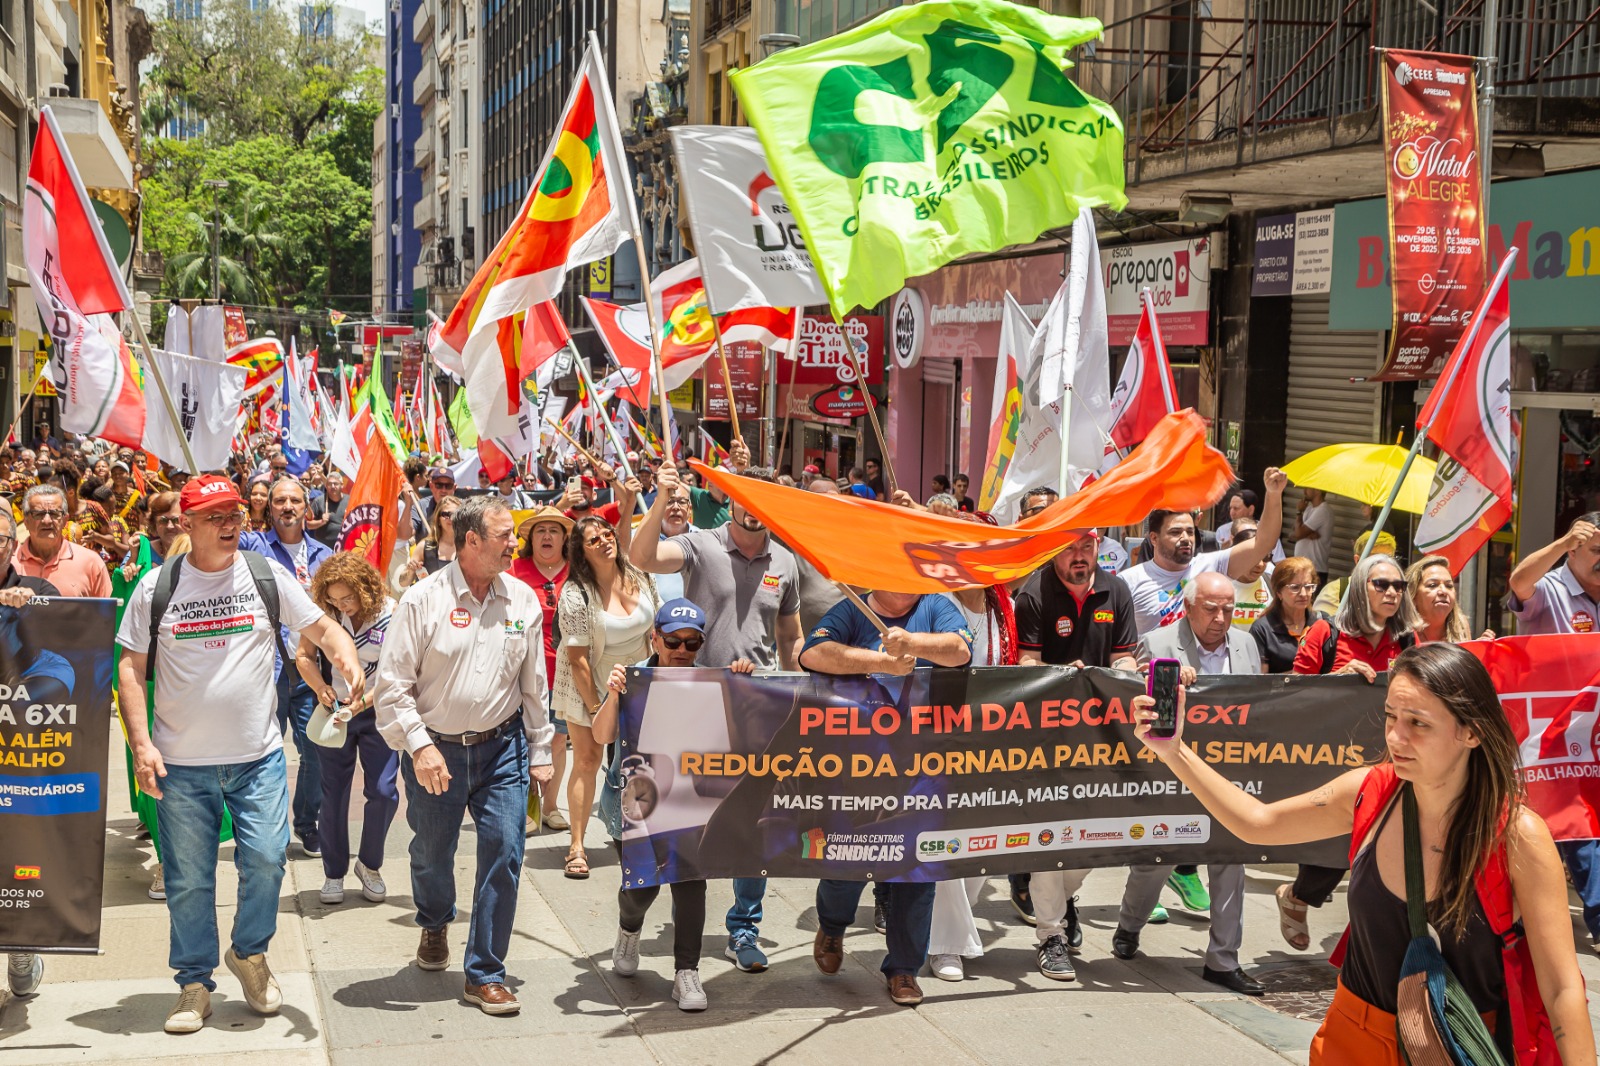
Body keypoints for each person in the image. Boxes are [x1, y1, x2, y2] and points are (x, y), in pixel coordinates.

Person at [1132, 643, 1594, 1065]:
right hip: (1350, 1043)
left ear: (1472, 732)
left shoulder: (1517, 836)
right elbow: (1257, 823)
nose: (1396, 737)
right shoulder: (1369, 792)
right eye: (1391, 716)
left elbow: (1562, 989)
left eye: (1419, 723)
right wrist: (1173, 751)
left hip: (1456, 1049)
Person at [116, 475, 362, 1034]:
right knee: (188, 879)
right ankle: (194, 984)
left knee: (269, 860)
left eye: (235, 514)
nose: (230, 525)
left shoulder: (264, 574)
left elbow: (323, 627)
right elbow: (130, 668)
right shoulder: (156, 586)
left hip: (258, 758)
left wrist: (345, 655)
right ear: (187, 523)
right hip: (181, 766)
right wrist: (141, 745)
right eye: (215, 516)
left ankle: (249, 953)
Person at [373, 495, 555, 1015]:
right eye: (505, 535)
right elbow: (392, 687)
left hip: (503, 750)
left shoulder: (522, 600)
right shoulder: (421, 600)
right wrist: (420, 746)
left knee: (505, 852)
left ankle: (485, 973)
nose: (515, 543)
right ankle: (434, 922)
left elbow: (533, 684)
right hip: (436, 752)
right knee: (432, 854)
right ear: (471, 539)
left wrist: (540, 748)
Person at [630, 461, 801, 973]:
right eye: (745, 498)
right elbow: (642, 556)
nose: (753, 510)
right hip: (695, 706)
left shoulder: (786, 561)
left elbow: (790, 635)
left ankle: (744, 927)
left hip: (759, 709)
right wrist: (660, 498)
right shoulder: (702, 544)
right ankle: (644, 913)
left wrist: (797, 695)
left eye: (763, 500)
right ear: (732, 500)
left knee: (754, 822)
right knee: (682, 821)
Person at [800, 588, 973, 1006]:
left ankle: (903, 968)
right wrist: (880, 662)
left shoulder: (935, 605)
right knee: (844, 861)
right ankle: (832, 926)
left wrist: (911, 643)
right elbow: (813, 653)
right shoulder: (852, 608)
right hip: (858, 769)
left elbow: (960, 650)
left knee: (918, 869)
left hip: (922, 769)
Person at [594, 599, 754, 1012]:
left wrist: (741, 687)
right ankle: (629, 927)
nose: (682, 650)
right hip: (635, 804)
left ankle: (687, 971)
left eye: (692, 642)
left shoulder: (711, 682)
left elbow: (736, 742)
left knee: (691, 883)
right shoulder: (633, 678)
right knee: (641, 887)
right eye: (673, 641)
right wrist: (613, 694)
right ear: (655, 638)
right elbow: (601, 735)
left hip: (688, 804)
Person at [1113, 572, 1263, 994]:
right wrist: (1164, 681)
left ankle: (1222, 960)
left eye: (1228, 609)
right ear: (1189, 608)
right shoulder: (1158, 644)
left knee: (1231, 858)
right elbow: (1133, 707)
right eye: (1211, 609)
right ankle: (1129, 925)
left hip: (1229, 775)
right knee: (1156, 860)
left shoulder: (1247, 645)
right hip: (1170, 774)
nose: (1220, 618)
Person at [1011, 530, 1138, 979]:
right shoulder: (1034, 593)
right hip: (1048, 737)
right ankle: (1051, 935)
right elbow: (1025, 662)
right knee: (1053, 834)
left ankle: (1060, 904)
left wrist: (1122, 673)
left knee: (1092, 841)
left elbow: (1125, 657)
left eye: (1087, 547)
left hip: (1103, 736)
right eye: (1070, 549)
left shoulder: (1116, 589)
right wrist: (1061, 676)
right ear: (1055, 552)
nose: (1079, 557)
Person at [1276, 553, 1419, 950]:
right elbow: (1292, 693)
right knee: (1334, 844)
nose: (1392, 592)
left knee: (1380, 847)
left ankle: (1373, 941)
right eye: (1381, 584)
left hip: (1389, 759)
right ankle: (1297, 897)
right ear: (1359, 588)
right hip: (1331, 759)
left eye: (1399, 586)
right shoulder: (1327, 633)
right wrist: (1336, 680)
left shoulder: (1407, 640)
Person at [1505, 513, 1600, 949]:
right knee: (1568, 824)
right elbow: (1519, 582)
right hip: (1548, 737)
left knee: (1583, 823)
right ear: (1574, 551)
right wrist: (1560, 542)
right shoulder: (1551, 589)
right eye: (1595, 550)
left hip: (1592, 731)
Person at [551, 516, 659, 878]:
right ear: (581, 552)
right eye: (593, 540)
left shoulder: (640, 575)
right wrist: (598, 709)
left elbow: (656, 628)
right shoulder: (575, 594)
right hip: (589, 683)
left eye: (607, 534)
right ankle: (577, 847)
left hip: (639, 682)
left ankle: (644, 836)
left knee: (645, 761)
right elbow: (577, 659)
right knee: (587, 759)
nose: (604, 541)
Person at [296, 553, 400, 907]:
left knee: (384, 792)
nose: (342, 605)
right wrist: (319, 687)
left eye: (348, 598)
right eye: (334, 599)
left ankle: (369, 865)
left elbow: (395, 671)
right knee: (334, 793)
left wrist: (363, 703)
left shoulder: (391, 612)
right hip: (334, 712)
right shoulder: (323, 614)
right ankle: (334, 871)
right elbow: (303, 656)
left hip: (377, 712)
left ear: (365, 588)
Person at [240, 478, 336, 858]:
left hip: (312, 671)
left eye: (295, 500)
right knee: (265, 752)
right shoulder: (253, 547)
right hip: (268, 669)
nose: (287, 506)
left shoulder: (324, 554)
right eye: (279, 500)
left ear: (306, 508)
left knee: (316, 752)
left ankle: (306, 824)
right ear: (269, 507)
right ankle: (269, 829)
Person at [114, 491, 189, 898]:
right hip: (144, 681)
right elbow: (122, 621)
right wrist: (125, 574)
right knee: (151, 768)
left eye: (178, 518)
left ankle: (183, 852)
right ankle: (165, 861)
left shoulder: (201, 551)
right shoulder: (138, 559)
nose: (172, 525)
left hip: (190, 686)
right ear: (152, 523)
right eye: (165, 520)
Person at [1118, 468, 1286, 634]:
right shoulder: (1129, 581)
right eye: (1175, 532)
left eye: (1190, 532)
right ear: (1154, 538)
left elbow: (1263, 543)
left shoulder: (1211, 565)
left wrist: (1273, 494)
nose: (1185, 538)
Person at [508, 505, 574, 830]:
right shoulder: (513, 570)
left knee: (558, 741)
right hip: (524, 674)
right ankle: (528, 808)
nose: (547, 536)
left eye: (554, 530)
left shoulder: (578, 571)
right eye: (540, 531)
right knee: (524, 741)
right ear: (530, 539)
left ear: (564, 538)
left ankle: (550, 807)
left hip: (566, 675)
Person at [14, 484, 112, 597]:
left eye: (54, 514)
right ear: (26, 521)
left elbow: (108, 607)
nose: (47, 520)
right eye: (38, 514)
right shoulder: (8, 563)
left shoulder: (91, 563)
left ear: (65, 520)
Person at [1249, 556, 1327, 673]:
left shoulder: (1323, 622)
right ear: (1279, 592)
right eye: (1295, 587)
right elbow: (1260, 680)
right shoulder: (1262, 630)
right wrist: (1299, 674)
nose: (1303, 594)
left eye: (1308, 587)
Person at [1312, 530, 1398, 616]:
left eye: (1389, 559)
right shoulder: (1335, 592)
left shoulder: (1396, 594)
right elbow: (1323, 622)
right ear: (1358, 560)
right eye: (1375, 559)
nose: (1383, 565)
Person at [1408, 555, 1479, 644]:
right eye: (1433, 585)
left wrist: (1480, 648)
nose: (1443, 591)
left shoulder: (1461, 627)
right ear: (1413, 595)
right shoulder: (1401, 633)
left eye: (1449, 586)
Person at [400, 495, 460, 588]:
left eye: (455, 514)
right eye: (446, 514)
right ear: (438, 519)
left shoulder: (468, 547)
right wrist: (411, 570)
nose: (451, 518)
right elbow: (403, 583)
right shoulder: (424, 547)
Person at [1225, 518, 1274, 629]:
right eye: (1253, 557)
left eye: (1265, 557)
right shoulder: (1217, 583)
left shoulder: (1272, 583)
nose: (1260, 564)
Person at [1292, 488, 1334, 584]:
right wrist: (1305, 534)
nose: (1304, 491)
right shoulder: (1309, 509)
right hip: (1300, 566)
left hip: (1315, 569)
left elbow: (1298, 533)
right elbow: (1293, 533)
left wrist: (1299, 512)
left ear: (1318, 490)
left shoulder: (1323, 510)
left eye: (1307, 488)